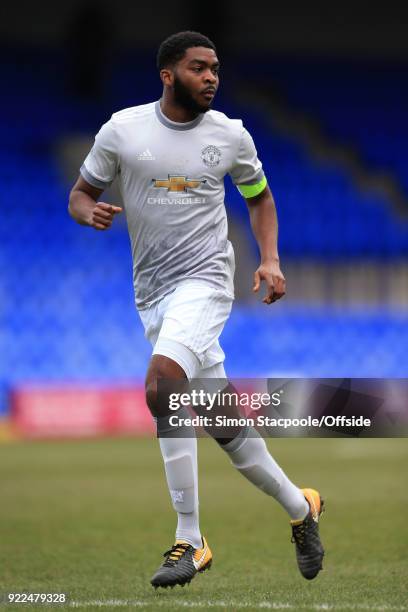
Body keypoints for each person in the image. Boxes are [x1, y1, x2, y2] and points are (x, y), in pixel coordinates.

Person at [68, 31, 324, 589]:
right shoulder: (123, 130)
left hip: (207, 282)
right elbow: (80, 192)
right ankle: (303, 509)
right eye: (198, 67)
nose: (211, 76)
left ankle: (191, 538)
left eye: (215, 68)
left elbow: (259, 197)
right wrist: (87, 212)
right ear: (168, 75)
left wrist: (271, 259)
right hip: (152, 294)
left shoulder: (230, 135)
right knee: (226, 428)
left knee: (163, 387)